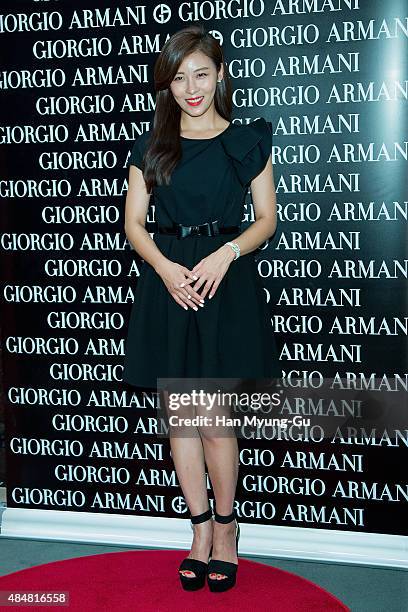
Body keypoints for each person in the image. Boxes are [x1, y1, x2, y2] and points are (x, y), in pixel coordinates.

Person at [123, 24, 280, 592]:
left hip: (222, 283)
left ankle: (228, 531)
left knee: (214, 423)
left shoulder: (247, 140)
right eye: (179, 76)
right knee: (180, 424)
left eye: (202, 73)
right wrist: (166, 270)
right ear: (167, 85)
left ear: (220, 75)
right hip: (169, 284)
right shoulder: (151, 146)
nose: (192, 87)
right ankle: (198, 531)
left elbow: (266, 219)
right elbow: (133, 225)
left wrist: (225, 254)